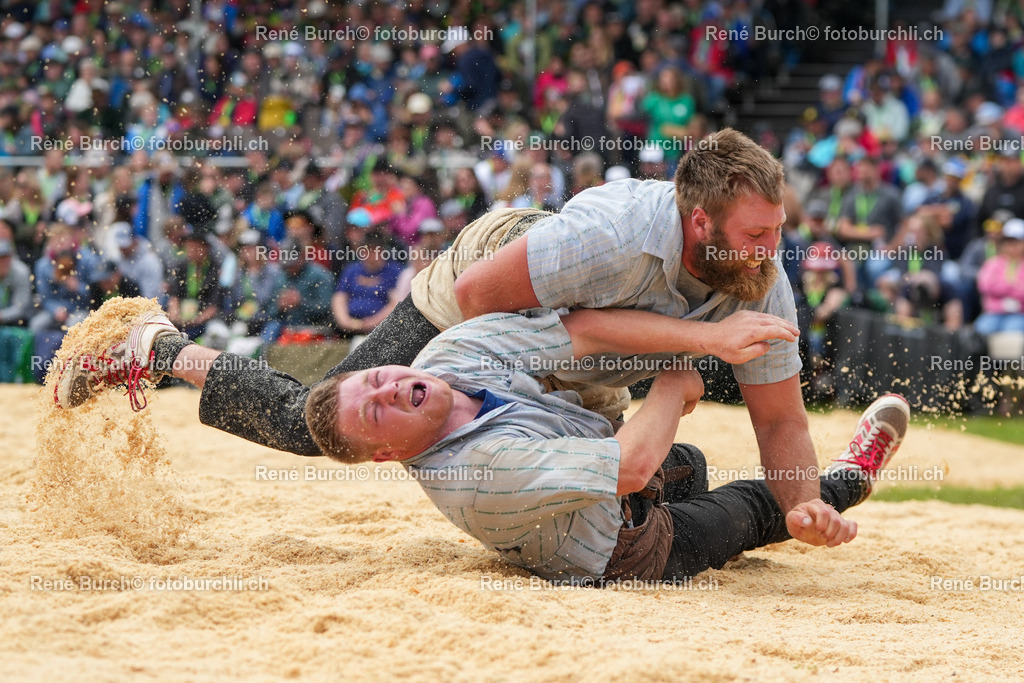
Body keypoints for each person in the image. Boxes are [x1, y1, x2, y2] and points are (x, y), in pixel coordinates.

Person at [59, 128, 825, 526]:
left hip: (578, 345)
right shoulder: (612, 234)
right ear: (700, 220)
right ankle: (158, 348)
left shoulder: (759, 275)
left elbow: (783, 421)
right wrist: (688, 346)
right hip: (489, 289)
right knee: (320, 421)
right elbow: (488, 293)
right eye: (756, 234)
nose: (771, 250)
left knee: (619, 490)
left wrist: (802, 508)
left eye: (777, 230)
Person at [53, 305, 910, 583]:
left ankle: (161, 353)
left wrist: (686, 358)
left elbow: (583, 338)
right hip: (601, 521)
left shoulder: (456, 351)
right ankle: (848, 478)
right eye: (384, 401)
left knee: (679, 465)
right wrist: (683, 373)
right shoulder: (461, 411)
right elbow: (625, 449)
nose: (387, 385)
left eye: (384, 387)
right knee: (744, 507)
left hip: (544, 383)